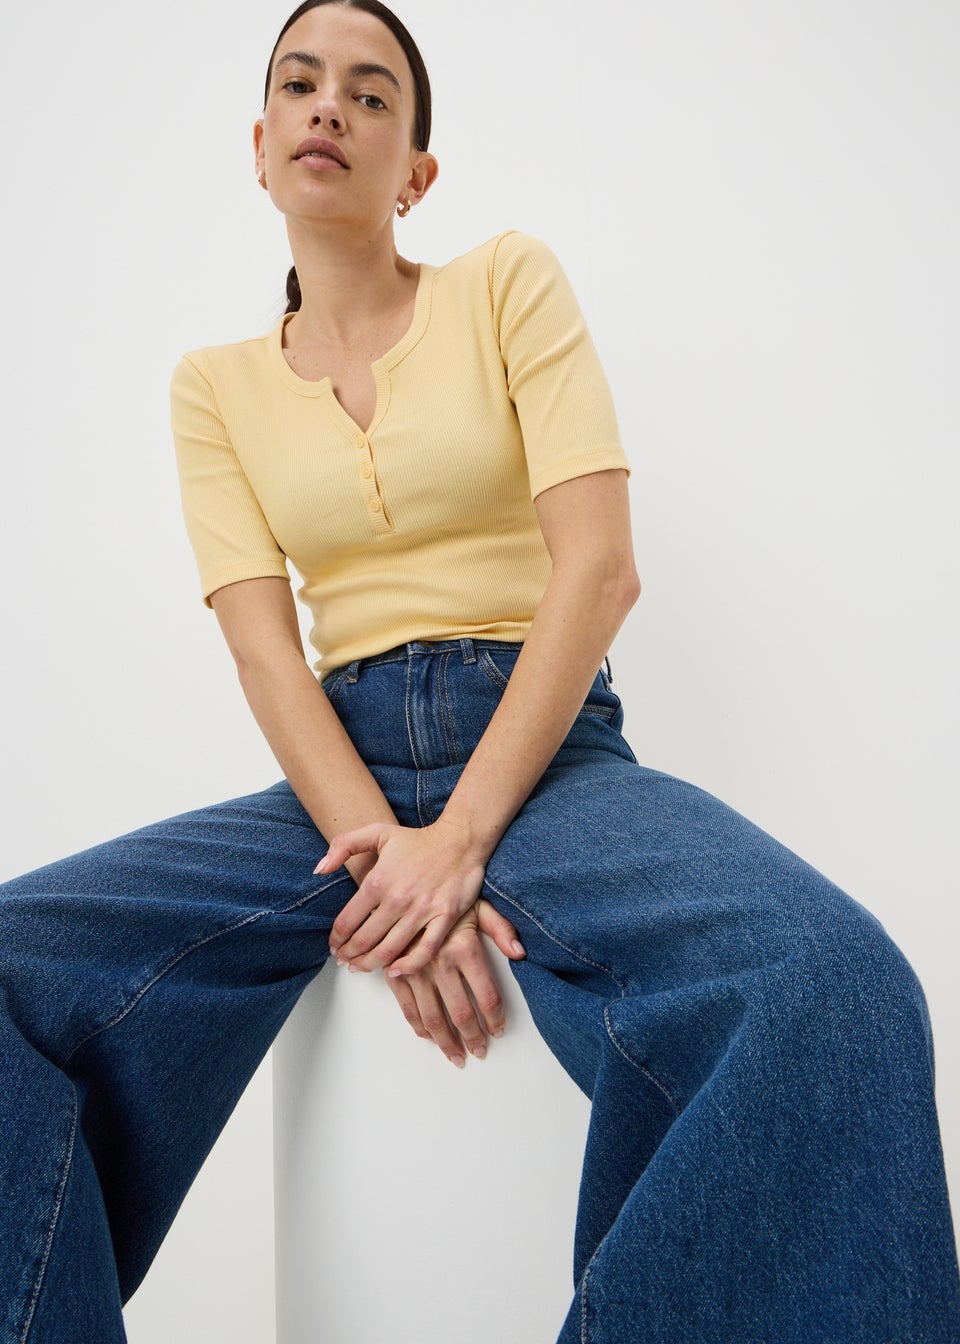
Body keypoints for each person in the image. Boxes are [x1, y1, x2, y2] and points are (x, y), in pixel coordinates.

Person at [1, 0, 958, 1340]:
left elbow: (601, 569)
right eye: (302, 83)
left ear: (417, 175)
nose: (331, 106)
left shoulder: (506, 280)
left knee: (834, 979)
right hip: (337, 779)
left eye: (374, 94)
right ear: (261, 144)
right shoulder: (209, 387)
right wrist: (384, 854)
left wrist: (459, 839)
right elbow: (265, 649)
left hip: (543, 748)